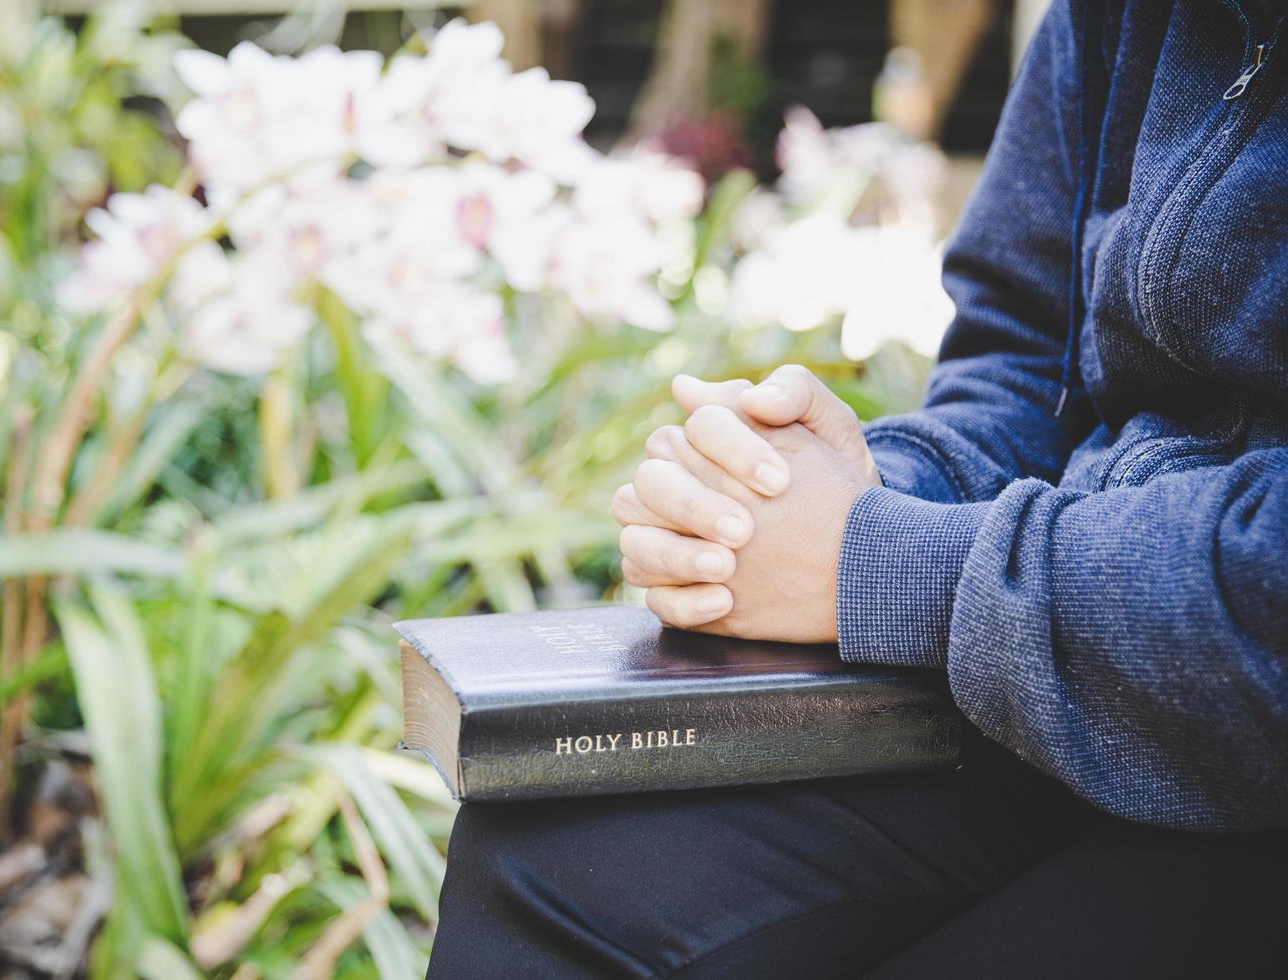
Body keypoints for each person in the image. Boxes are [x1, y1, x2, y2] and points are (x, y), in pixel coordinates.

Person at [427, 1, 1288, 976]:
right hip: (1074, 666)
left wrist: (874, 563)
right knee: (548, 863)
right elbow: (1018, 362)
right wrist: (835, 494)